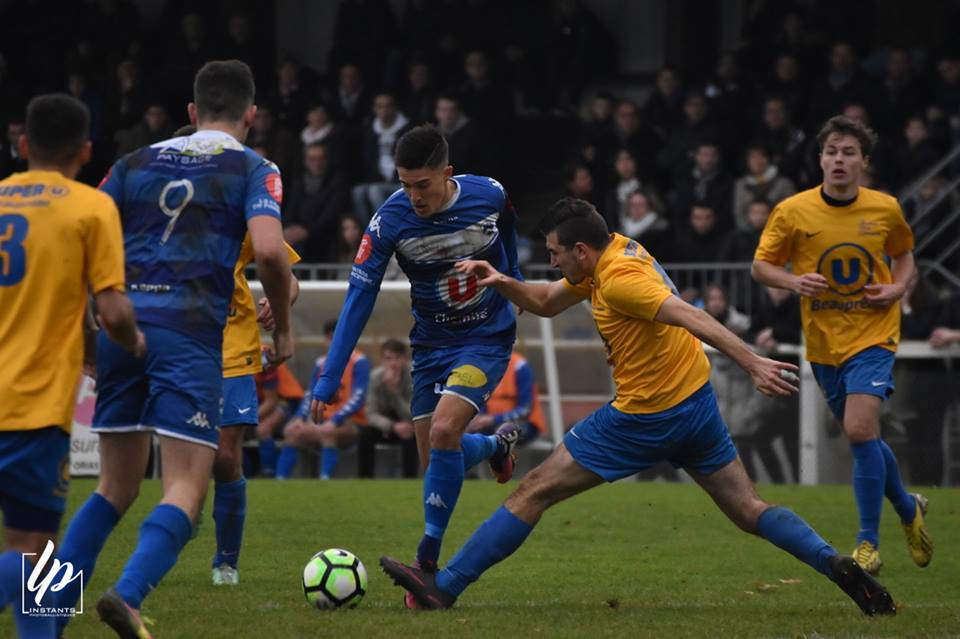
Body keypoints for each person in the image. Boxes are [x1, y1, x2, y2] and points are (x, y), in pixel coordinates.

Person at [382, 197, 897, 616]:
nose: (552, 262)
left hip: (644, 415)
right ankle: (834, 564)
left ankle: (445, 586)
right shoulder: (615, 252)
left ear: (581, 250)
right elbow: (545, 301)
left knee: (533, 490)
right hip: (695, 404)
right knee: (749, 509)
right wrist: (501, 280)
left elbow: (688, 313)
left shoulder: (621, 280)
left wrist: (751, 362)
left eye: (556, 253)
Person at [54, 60, 294, 638]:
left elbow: (79, 240)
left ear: (191, 111)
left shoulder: (132, 163)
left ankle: (43, 610)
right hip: (187, 335)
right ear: (251, 113)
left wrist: (88, 337)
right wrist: (283, 330)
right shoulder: (255, 168)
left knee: (113, 488)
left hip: (122, 329)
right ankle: (128, 594)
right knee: (186, 484)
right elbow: (268, 252)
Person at [308, 125, 523, 599]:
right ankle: (495, 446)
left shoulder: (488, 194)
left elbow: (508, 229)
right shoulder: (389, 221)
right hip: (430, 345)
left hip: (485, 337)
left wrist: (515, 281)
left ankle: (426, 563)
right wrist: (329, 377)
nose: (414, 196)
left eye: (423, 185)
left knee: (445, 431)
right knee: (437, 459)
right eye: (405, 185)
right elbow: (359, 297)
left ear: (447, 173)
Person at [751, 115, 932, 575]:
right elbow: (761, 266)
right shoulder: (793, 211)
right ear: (820, 159)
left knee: (857, 428)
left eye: (849, 152)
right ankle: (907, 507)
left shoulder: (885, 209)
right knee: (864, 434)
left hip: (874, 334)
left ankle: (868, 543)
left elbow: (904, 255)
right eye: (832, 151)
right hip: (823, 343)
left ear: (864, 162)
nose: (839, 160)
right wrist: (794, 281)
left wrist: (898, 288)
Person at [0, 94, 141, 639]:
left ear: (22, 144)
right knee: (34, 552)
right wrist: (133, 345)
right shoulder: (90, 207)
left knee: (35, 550)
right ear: (85, 151)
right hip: (32, 407)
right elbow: (112, 310)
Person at [211, 222, 300, 586]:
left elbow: (287, 276)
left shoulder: (240, 215)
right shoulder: (164, 213)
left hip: (233, 349)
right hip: (179, 345)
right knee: (187, 460)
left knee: (224, 456)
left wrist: (281, 302)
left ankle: (226, 562)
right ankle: (179, 514)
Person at [280, 320, 369, 479]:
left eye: (337, 338)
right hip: (323, 420)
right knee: (292, 431)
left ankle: (325, 479)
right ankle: (279, 480)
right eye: (330, 338)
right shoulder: (321, 362)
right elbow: (310, 393)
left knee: (329, 433)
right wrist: (300, 418)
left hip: (351, 421)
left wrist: (335, 421)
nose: (333, 343)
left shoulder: (359, 361)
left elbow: (358, 397)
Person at [359, 338, 419, 478]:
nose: (393, 363)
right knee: (365, 434)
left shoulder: (414, 377)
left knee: (412, 435)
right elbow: (371, 413)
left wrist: (394, 393)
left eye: (397, 358)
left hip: (408, 424)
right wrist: (392, 426)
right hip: (385, 424)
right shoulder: (375, 377)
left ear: (405, 359)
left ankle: (410, 480)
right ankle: (365, 479)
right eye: (388, 358)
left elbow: (414, 413)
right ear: (382, 360)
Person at [467, 350, 545, 446]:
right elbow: (480, 399)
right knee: (463, 432)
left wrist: (493, 419)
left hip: (524, 423)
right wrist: (477, 418)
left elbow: (525, 410)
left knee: (502, 433)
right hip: (488, 424)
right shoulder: (482, 365)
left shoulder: (519, 365)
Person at [254, 347, 305, 478]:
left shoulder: (263, 355)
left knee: (262, 429)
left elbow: (271, 401)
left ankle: (270, 475)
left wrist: (246, 419)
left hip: (287, 399)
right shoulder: (228, 353)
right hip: (261, 401)